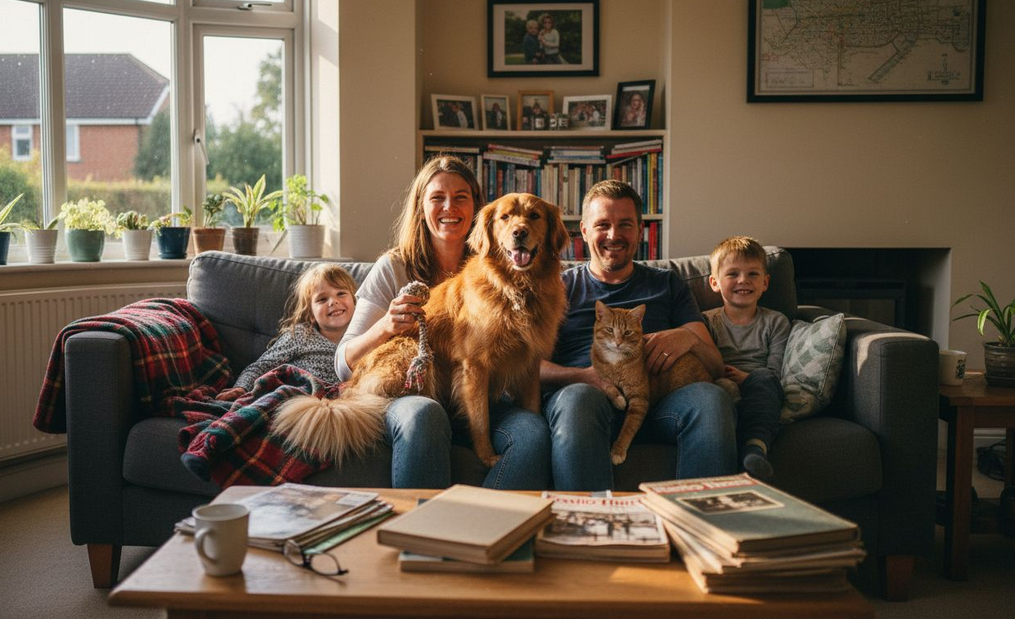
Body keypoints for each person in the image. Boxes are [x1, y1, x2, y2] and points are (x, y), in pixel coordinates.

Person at [334, 156, 551, 489]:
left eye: (461, 197)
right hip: (413, 390)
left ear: (476, 209)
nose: (449, 206)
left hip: (478, 401)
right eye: (437, 197)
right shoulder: (393, 266)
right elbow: (343, 364)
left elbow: (524, 364)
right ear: (421, 207)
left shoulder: (499, 261)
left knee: (533, 434)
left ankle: (491, 529)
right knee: (424, 415)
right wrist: (386, 327)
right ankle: (424, 535)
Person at [540, 180, 736, 491]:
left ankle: (699, 528)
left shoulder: (666, 284)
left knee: (711, 399)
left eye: (625, 225)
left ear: (640, 230)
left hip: (660, 403)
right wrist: (583, 376)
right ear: (584, 230)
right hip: (586, 403)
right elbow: (528, 367)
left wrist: (690, 339)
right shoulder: (559, 288)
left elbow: (714, 366)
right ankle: (590, 527)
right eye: (603, 224)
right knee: (578, 399)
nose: (614, 235)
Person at [704, 236, 790, 480]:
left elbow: (775, 370)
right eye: (732, 274)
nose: (743, 280)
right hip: (720, 386)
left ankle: (755, 448)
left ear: (765, 282)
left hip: (760, 386)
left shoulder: (776, 322)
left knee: (764, 379)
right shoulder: (707, 321)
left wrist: (748, 378)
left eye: (753, 274)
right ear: (714, 282)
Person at [217, 264, 358, 400]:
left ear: (355, 301)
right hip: (301, 398)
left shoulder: (364, 338)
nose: (333, 301)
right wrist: (242, 388)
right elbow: (262, 365)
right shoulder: (300, 335)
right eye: (322, 299)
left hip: (345, 403)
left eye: (341, 293)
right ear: (311, 314)